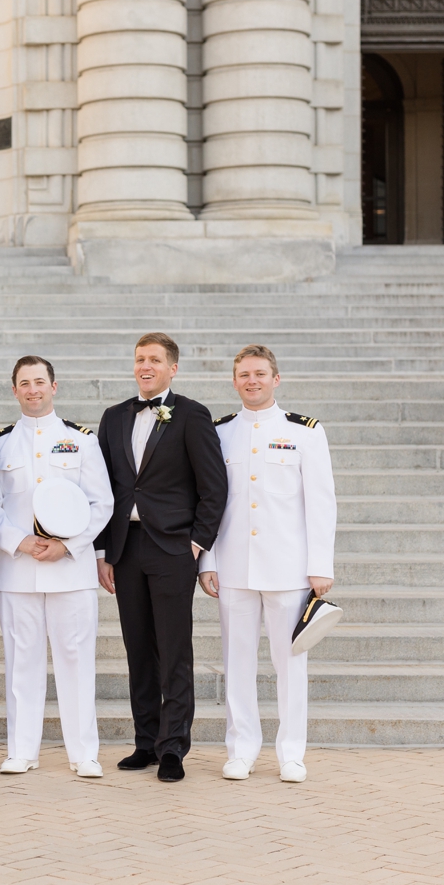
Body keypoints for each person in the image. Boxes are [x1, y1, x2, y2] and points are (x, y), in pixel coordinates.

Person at [197, 344, 336, 784]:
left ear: (276, 379)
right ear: (234, 381)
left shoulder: (306, 432)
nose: (251, 381)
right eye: (243, 375)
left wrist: (320, 565)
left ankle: (291, 752)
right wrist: (208, 562)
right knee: (237, 662)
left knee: (290, 662)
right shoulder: (218, 433)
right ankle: (242, 749)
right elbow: (211, 503)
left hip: (288, 568)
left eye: (260, 374)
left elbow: (321, 503)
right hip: (234, 567)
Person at [94, 332, 227, 782]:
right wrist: (104, 551)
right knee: (138, 650)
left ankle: (174, 747)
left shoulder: (192, 415)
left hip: (172, 547)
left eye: (154, 359)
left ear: (173, 368)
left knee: (174, 650)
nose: (145, 366)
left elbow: (214, 487)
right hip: (125, 547)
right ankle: (146, 742)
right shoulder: (113, 418)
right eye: (139, 359)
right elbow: (104, 489)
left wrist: (197, 542)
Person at [0, 356, 112, 778]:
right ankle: (22, 750)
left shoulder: (81, 440)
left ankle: (83, 753)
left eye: (39, 382)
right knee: (20, 663)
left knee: (76, 661)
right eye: (24, 383)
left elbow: (103, 503)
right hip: (18, 570)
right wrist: (17, 540)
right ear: (15, 391)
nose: (32, 390)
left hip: (70, 573)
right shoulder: (1, 442)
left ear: (54, 386)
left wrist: (71, 546)